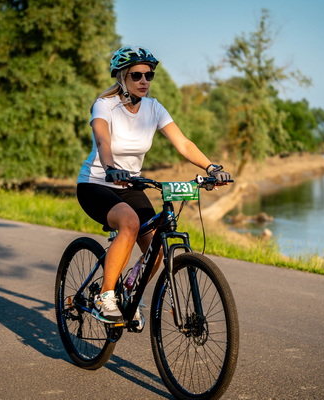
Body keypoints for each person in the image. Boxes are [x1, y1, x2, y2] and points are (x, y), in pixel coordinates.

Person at [76, 46, 231, 328]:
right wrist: (110, 168)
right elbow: (102, 140)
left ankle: (129, 293)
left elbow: (183, 144)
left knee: (156, 249)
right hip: (97, 183)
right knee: (130, 222)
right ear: (122, 77)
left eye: (149, 75)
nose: (144, 80)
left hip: (131, 185)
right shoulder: (104, 105)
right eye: (136, 75)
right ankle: (105, 296)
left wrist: (211, 168)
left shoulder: (154, 107)